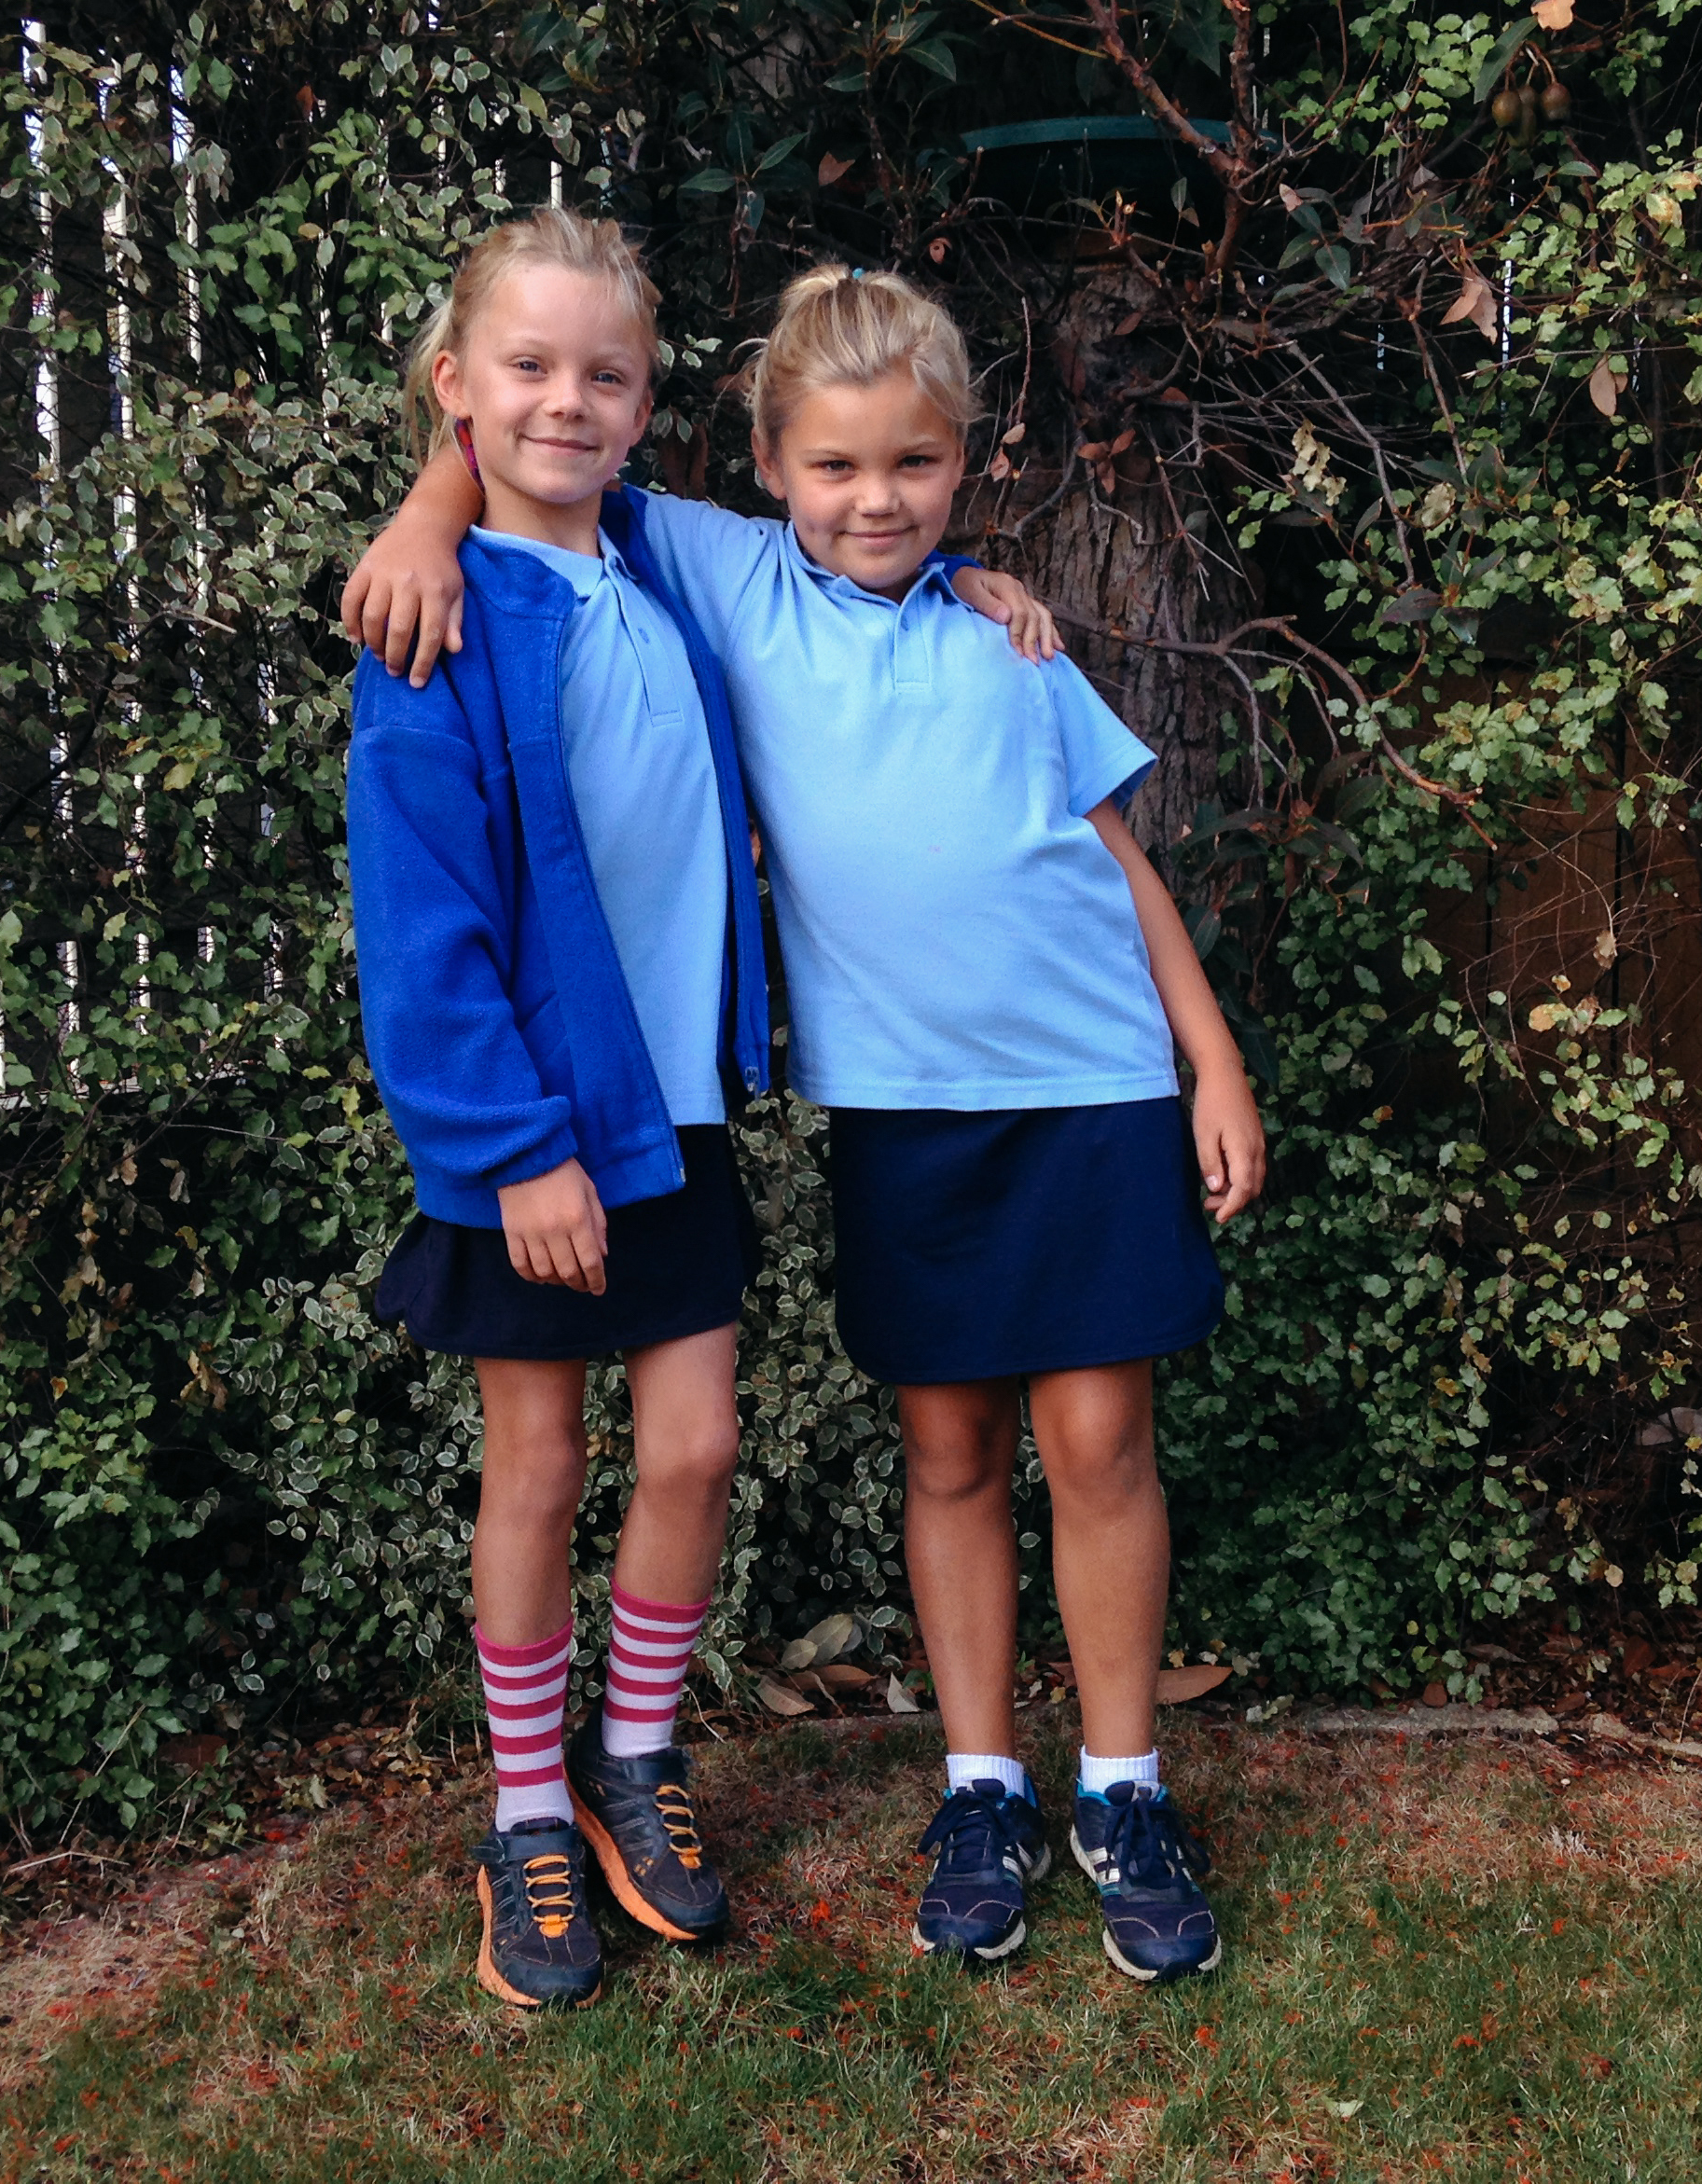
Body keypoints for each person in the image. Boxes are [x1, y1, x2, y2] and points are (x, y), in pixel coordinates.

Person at [346, 263, 1269, 1984]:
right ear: (765, 464)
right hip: (898, 1116)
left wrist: (1211, 1061)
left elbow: (1118, 860)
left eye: (914, 467)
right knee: (948, 1458)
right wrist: (419, 503)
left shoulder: (1006, 638)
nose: (875, 498)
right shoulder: (713, 573)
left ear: (967, 464)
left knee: (1098, 1450)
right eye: (835, 468)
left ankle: (1123, 1790)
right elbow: (536, 440)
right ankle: (970, 1787)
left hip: (1091, 1090)